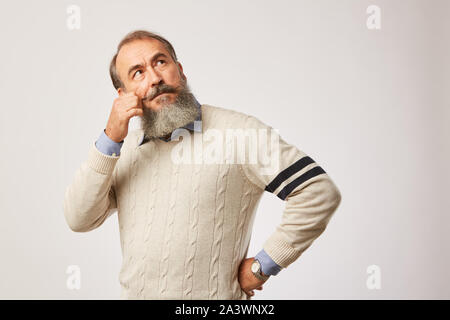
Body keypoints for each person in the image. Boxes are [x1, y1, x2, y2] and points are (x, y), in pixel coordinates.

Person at [63, 30, 342, 300]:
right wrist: (110, 138)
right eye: (138, 72)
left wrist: (264, 264)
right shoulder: (122, 152)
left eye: (160, 62)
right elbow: (79, 218)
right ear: (124, 95)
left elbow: (318, 191)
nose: (155, 78)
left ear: (180, 71)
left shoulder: (239, 133)